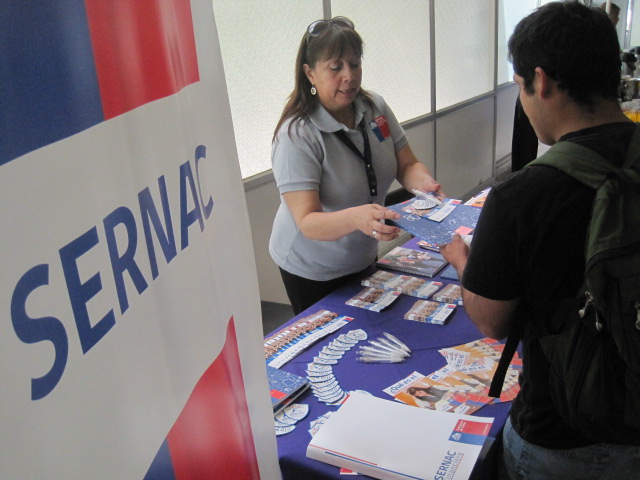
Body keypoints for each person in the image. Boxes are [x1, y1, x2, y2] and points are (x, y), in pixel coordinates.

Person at [440, 2, 640, 478]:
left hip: (564, 438)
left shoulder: (522, 195)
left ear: (541, 81)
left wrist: (460, 261)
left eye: (520, 87)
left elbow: (491, 320)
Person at [269, 16, 443, 315]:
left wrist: (423, 185)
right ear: (310, 73)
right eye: (335, 67)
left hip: (360, 253)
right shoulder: (296, 135)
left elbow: (408, 164)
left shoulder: (374, 107)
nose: (349, 75)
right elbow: (308, 221)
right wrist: (357, 219)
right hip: (311, 267)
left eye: (355, 63)